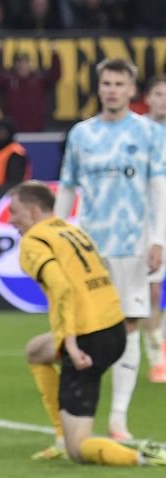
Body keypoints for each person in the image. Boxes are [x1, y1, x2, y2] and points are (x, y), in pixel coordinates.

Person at [10, 181, 166, 467]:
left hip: (87, 339)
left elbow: (62, 288)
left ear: (33, 212)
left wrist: (70, 342)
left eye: (15, 212)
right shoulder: (72, 231)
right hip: (113, 326)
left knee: (79, 449)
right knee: (36, 351)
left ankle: (144, 455)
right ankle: (60, 437)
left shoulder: (34, 241)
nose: (11, 220)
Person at [55, 58, 166, 441]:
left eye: (120, 83)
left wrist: (159, 239)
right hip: (90, 249)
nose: (113, 90)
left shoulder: (150, 133)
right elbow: (67, 186)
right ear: (98, 88)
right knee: (84, 331)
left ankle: (118, 420)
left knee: (129, 325)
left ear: (132, 90)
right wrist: (57, 235)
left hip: (134, 245)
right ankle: (70, 421)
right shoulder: (82, 134)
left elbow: (158, 187)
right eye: (107, 83)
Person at [142, 76, 166, 383]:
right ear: (147, 97)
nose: (164, 99)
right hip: (147, 222)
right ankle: (156, 355)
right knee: (152, 290)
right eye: (159, 94)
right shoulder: (136, 132)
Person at [0, 43, 61, 133]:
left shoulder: (39, 81)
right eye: (19, 62)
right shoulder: (9, 81)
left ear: (30, 64)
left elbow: (55, 75)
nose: (22, 66)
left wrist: (55, 55)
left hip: (36, 130)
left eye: (25, 62)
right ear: (15, 65)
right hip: (14, 131)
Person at [0, 118, 30, 188]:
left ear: (10, 134)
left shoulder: (15, 153)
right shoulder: (0, 152)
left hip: (10, 195)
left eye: (3, 132)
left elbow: (15, 182)